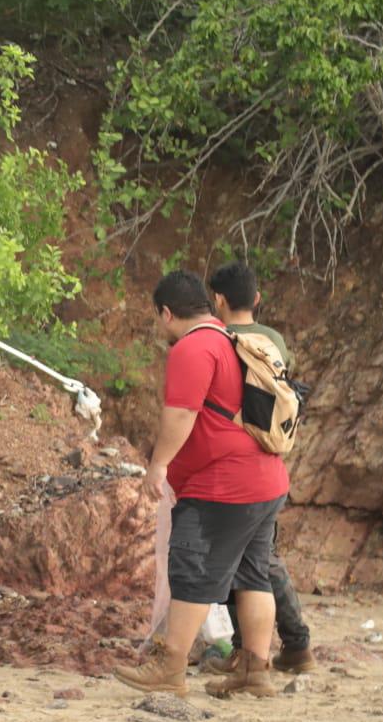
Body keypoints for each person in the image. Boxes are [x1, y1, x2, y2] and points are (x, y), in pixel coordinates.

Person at [114, 270, 289, 698]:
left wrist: (158, 466)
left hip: (223, 485)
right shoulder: (233, 340)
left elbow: (181, 414)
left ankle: (170, 668)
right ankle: (255, 670)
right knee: (253, 576)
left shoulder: (194, 347)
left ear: (167, 312)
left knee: (190, 566)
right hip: (266, 480)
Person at [204, 261, 315, 673]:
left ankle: (248, 653)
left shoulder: (223, 341)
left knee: (242, 562)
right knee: (262, 557)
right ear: (257, 299)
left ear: (217, 300)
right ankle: (296, 644)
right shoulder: (274, 340)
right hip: (272, 457)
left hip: (237, 463)